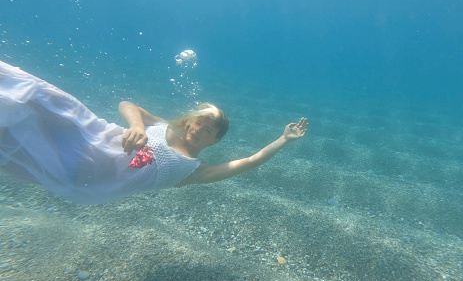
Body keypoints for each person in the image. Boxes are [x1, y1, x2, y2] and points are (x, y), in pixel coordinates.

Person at [0, 60, 308, 205]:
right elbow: (127, 104)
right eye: (198, 120)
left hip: (77, 176)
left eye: (209, 128)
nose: (199, 128)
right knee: (38, 101)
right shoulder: (163, 126)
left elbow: (251, 161)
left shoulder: (194, 171)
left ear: (216, 140)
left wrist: (283, 139)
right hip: (87, 138)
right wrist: (137, 125)